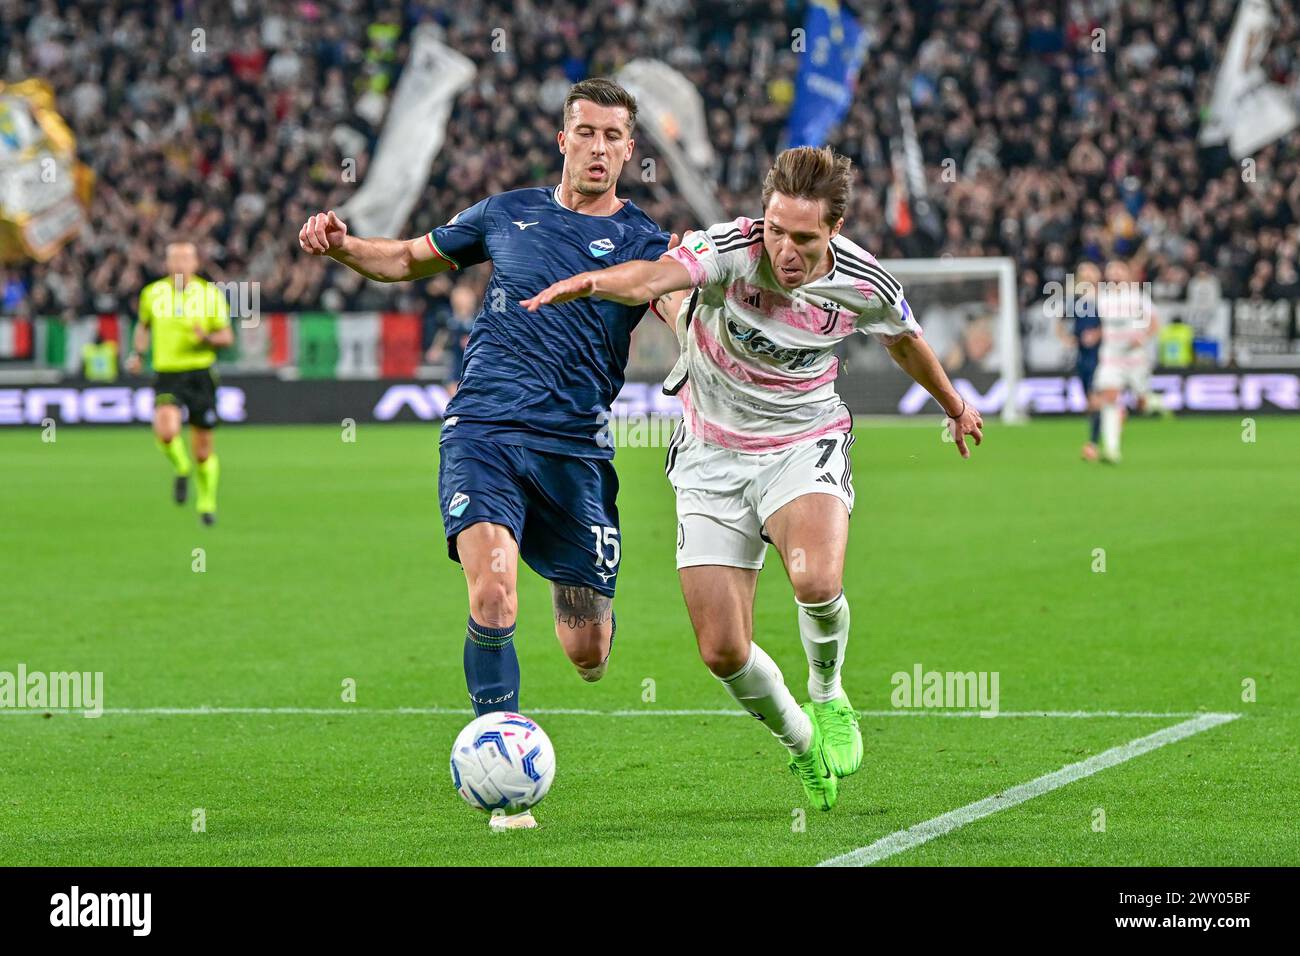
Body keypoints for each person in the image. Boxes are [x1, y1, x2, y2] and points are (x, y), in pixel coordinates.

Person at [523, 146, 982, 810]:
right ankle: (801, 744)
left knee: (816, 579)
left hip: (801, 441)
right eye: (776, 229)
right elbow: (655, 279)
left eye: (804, 237)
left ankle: (828, 697)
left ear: (832, 231)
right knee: (721, 650)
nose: (786, 249)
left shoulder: (862, 279)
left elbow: (903, 338)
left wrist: (956, 406)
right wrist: (595, 283)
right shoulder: (730, 249)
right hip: (711, 455)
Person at [298, 78, 671, 830]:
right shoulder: (506, 213)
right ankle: (501, 779)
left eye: (613, 137)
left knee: (588, 652)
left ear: (630, 150)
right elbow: (407, 259)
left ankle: (580, 603)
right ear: (562, 139)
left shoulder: (645, 242)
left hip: (577, 451)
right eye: (586, 132)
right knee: (493, 593)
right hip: (484, 431)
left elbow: (686, 305)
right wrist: (343, 248)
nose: (598, 148)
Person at [126, 242, 233, 525]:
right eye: (174, 259)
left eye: (185, 259)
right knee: (166, 430)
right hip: (168, 375)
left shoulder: (210, 295)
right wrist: (137, 353)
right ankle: (180, 466)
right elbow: (143, 326)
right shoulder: (152, 294)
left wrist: (206, 338)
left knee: (203, 450)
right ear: (167, 263)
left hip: (200, 374)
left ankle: (206, 502)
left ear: (196, 264)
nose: (179, 264)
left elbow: (226, 337)